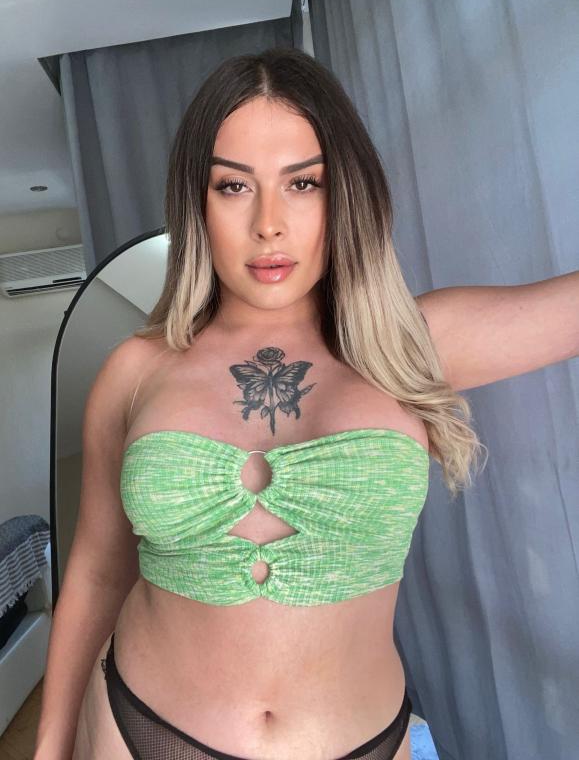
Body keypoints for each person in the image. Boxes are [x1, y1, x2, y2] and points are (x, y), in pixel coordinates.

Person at [34, 47, 578, 760]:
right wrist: (47, 750)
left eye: (303, 183)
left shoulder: (410, 343)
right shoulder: (135, 371)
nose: (269, 223)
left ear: (344, 192)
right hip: (138, 730)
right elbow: (99, 571)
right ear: (197, 203)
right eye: (234, 186)